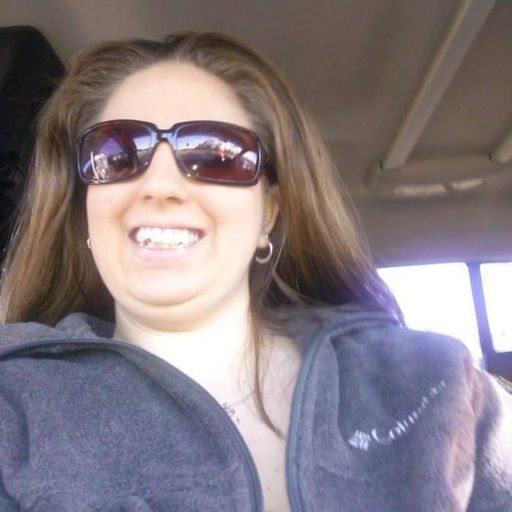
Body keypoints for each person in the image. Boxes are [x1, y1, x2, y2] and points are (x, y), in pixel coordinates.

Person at [0, 31, 510, 512]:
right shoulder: (16, 409)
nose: (159, 186)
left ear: (269, 212)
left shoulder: (435, 379)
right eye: (117, 154)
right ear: (84, 211)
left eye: (215, 154)